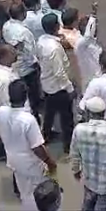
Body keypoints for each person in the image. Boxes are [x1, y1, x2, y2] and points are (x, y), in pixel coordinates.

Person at [0, 80, 56, 210]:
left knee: (24, 192)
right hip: (32, 164)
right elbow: (37, 147)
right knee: (40, 194)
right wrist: (50, 162)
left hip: (13, 161)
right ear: (26, 96)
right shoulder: (28, 120)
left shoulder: (1, 112)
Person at [70, 96, 106, 211]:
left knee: (87, 205)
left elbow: (74, 154)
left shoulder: (79, 129)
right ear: (104, 113)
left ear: (88, 112)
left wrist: (76, 170)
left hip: (88, 181)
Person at [37, 13, 75, 154]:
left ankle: (45, 136)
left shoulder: (41, 41)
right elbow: (59, 72)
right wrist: (70, 88)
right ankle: (68, 146)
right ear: (57, 27)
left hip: (47, 84)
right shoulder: (54, 48)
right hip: (58, 87)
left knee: (50, 113)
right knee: (67, 118)